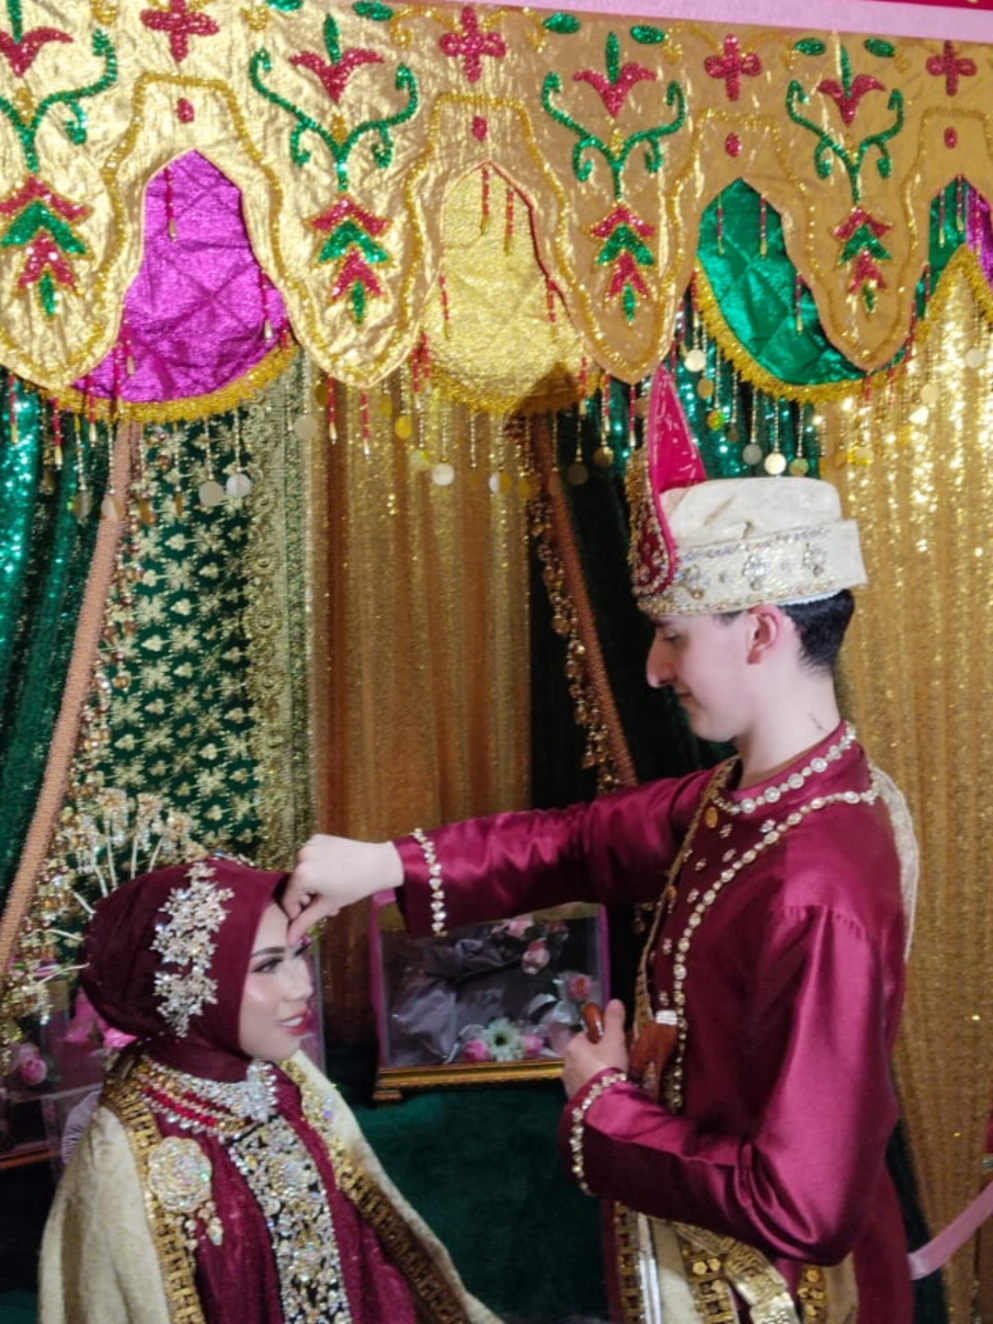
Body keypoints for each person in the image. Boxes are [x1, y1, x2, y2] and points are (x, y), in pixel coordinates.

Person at [283, 372, 916, 1324]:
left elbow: (804, 1205)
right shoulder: (758, 796)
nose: (656, 670)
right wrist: (382, 865)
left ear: (760, 632)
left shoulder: (815, 882)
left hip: (771, 1296)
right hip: (696, 1249)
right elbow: (579, 842)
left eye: (668, 637)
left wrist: (601, 1107)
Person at [39, 854, 501, 1324]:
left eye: (298, 953)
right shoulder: (124, 1150)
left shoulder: (287, 1078)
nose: (301, 986)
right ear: (188, 987)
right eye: (267, 966)